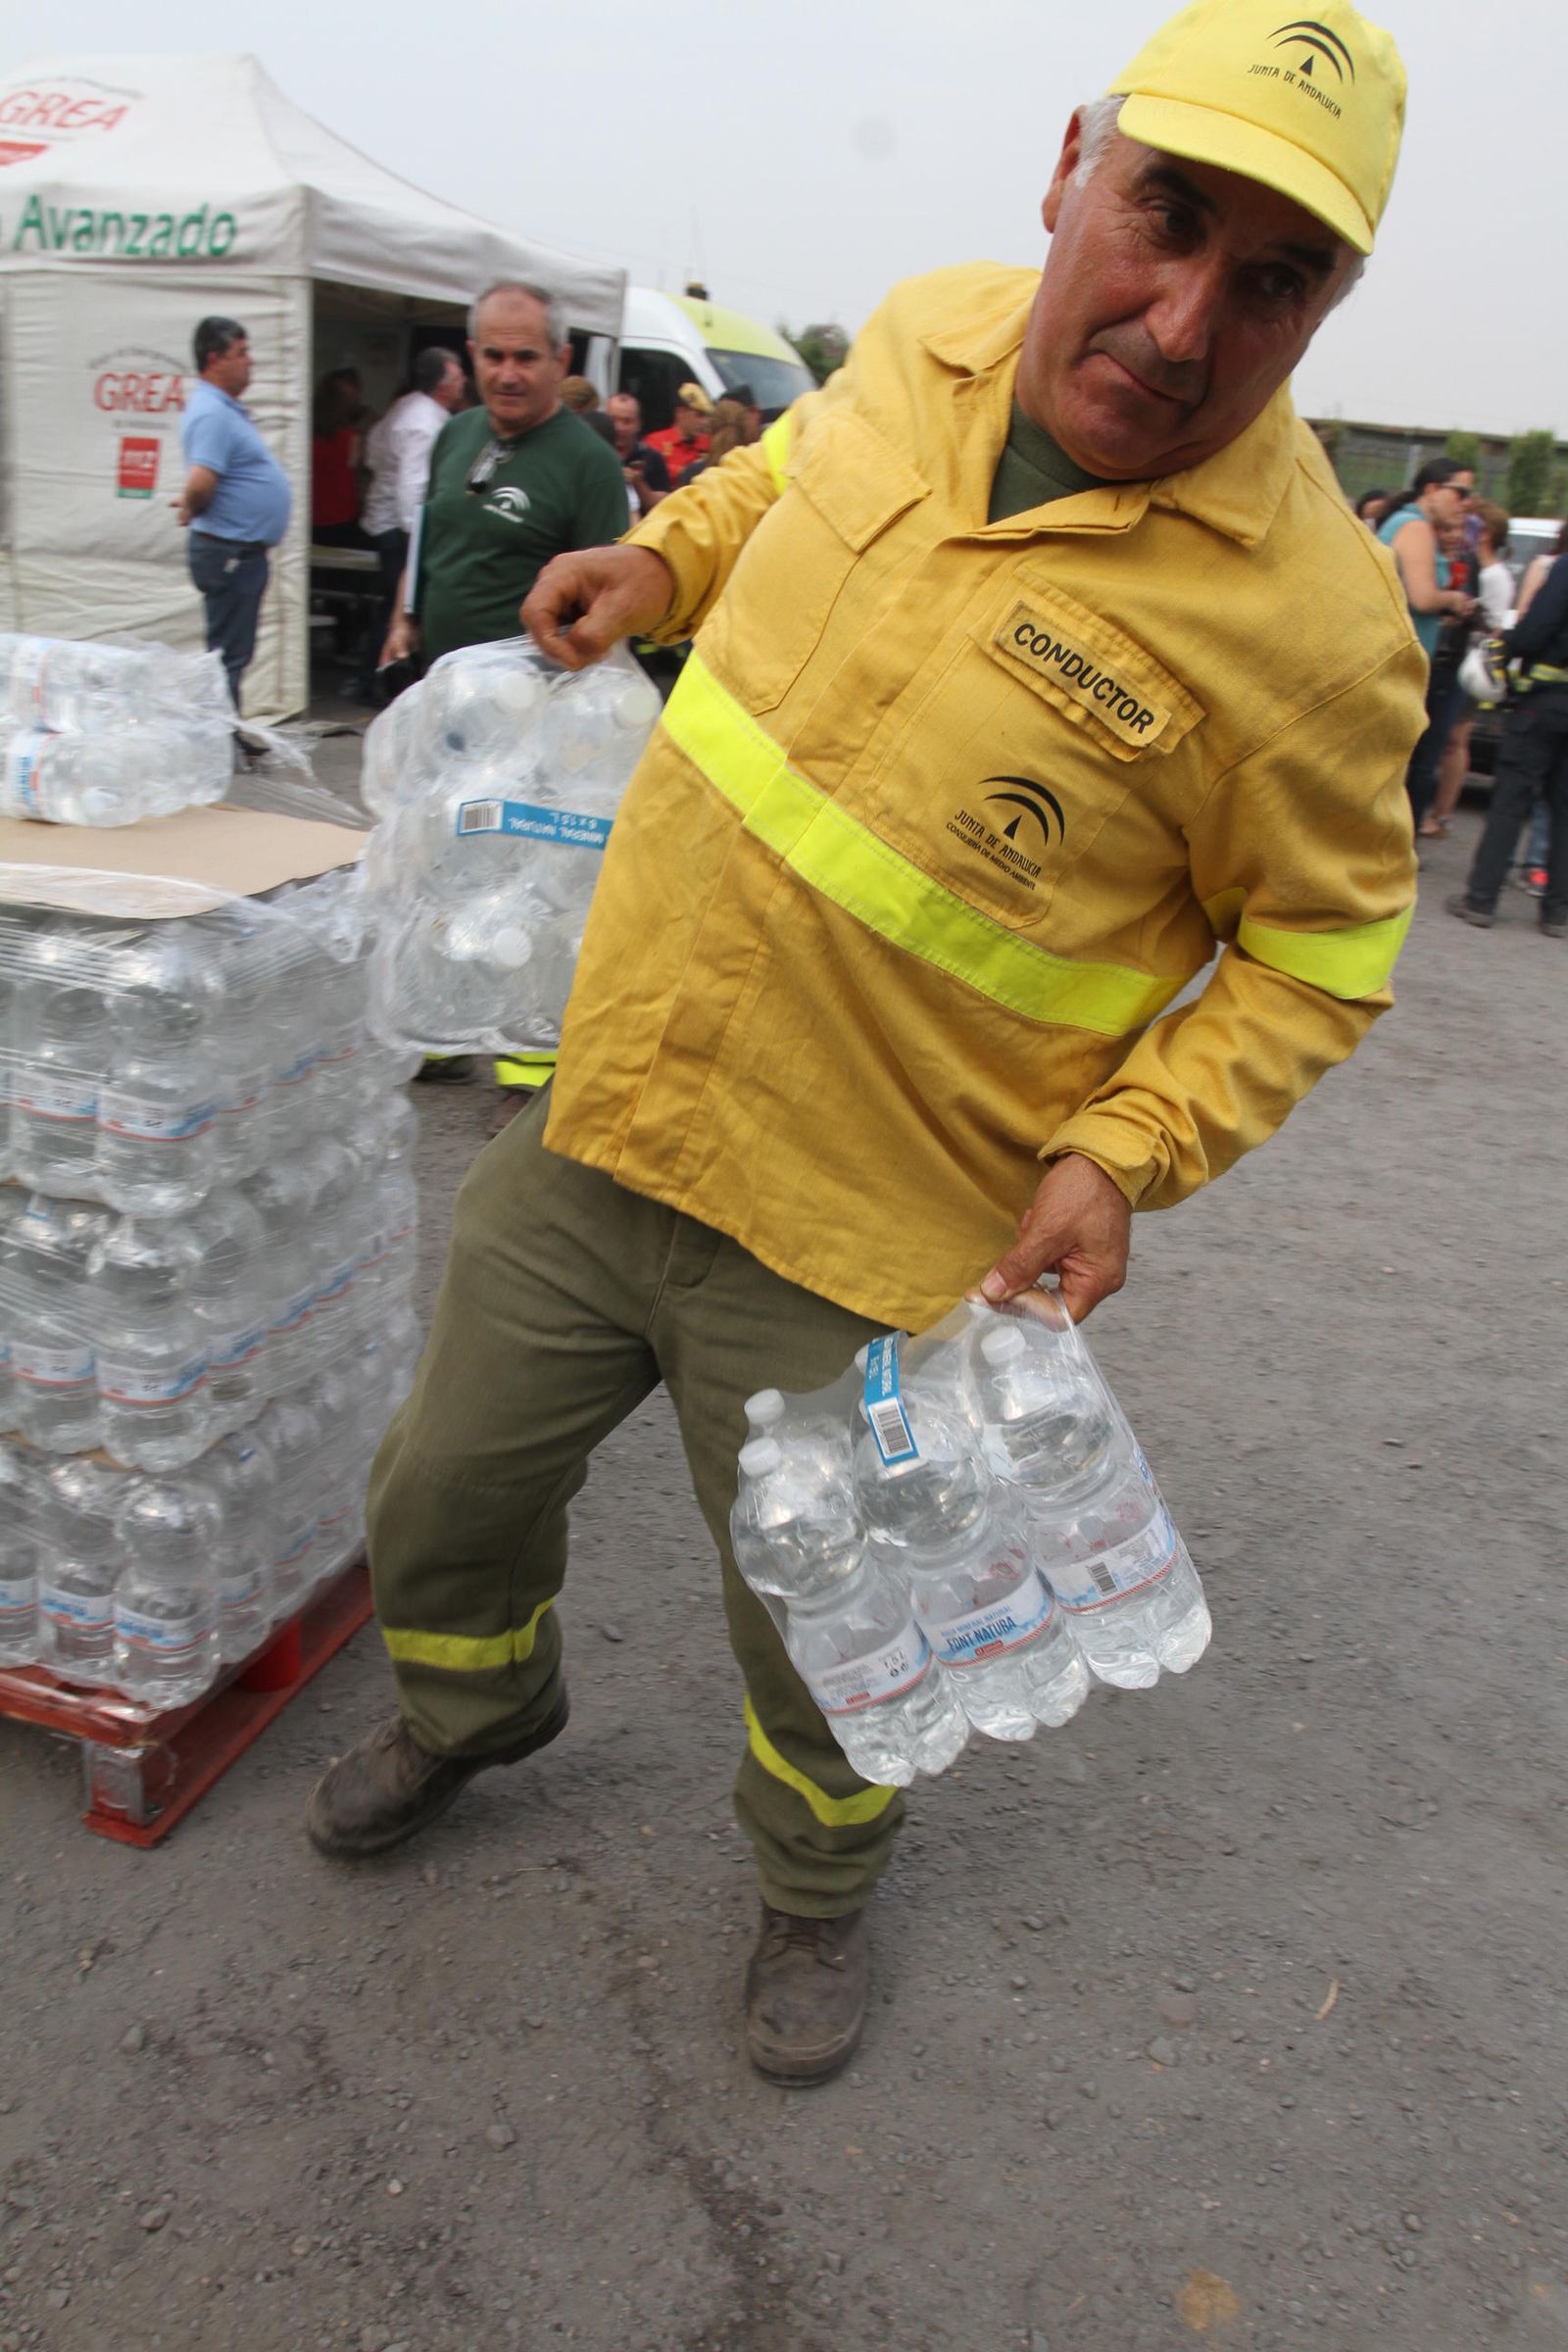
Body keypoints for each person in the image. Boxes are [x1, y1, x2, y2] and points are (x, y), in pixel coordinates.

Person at [308, 0, 1427, 2086]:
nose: (1184, 322)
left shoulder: (1315, 635)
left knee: (823, 1627)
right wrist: (657, 560)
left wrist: (1128, 1146)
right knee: (439, 1495)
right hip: (610, 1096)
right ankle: (474, 1710)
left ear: (1324, 304)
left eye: (1269, 279)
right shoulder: (914, 340)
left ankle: (813, 1893)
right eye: (1162, 218)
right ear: (1064, 173)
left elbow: (1320, 957)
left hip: (868, 1232)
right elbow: (770, 482)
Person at [380, 282, 629, 1109]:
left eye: (527, 356)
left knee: (524, 883)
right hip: (447, 713)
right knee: (438, 870)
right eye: (493, 355)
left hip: (536, 728)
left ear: (562, 359)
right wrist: (403, 618)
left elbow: (609, 598)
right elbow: (432, 538)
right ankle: (441, 1035)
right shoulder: (456, 435)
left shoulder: (586, 464)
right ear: (473, 353)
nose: (508, 373)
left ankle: (523, 1052)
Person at [1447, 548, 1568, 937]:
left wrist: (1505, 644)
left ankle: (1480, 901)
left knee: (1512, 802)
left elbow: (1537, 629)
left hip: (1544, 705)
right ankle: (1558, 913)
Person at [175, 316, 292, 714]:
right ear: (214, 359)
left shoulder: (224, 410)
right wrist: (191, 503)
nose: (250, 362)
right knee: (227, 655)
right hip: (229, 551)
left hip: (237, 551)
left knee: (233, 652)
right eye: (241, 353)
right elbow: (202, 480)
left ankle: (226, 731)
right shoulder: (212, 413)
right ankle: (219, 737)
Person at [1378, 460, 1478, 831]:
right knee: (1389, 772)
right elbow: (1421, 598)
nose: (1466, 502)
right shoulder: (1415, 526)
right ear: (1432, 489)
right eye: (1461, 492)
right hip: (1396, 667)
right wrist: (1452, 600)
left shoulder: (1405, 523)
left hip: (1394, 663)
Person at [361, 347, 466, 691]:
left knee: (391, 605)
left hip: (387, 521)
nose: (464, 381)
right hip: (401, 529)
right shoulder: (425, 422)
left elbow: (374, 450)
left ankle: (370, 680)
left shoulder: (407, 407)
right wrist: (416, 541)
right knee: (404, 608)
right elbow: (413, 485)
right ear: (443, 384)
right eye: (458, 376)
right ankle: (383, 683)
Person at [1426, 501, 1511, 837]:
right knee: (1455, 739)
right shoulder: (1493, 571)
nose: (1464, 534)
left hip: (1472, 663)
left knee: (1455, 739)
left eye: (1471, 529)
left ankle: (1442, 814)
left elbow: (1491, 623)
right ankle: (1441, 813)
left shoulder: (1492, 574)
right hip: (1470, 662)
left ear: (1485, 535)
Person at [1415, 513, 1481, 837]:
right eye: (1447, 528)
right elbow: (1420, 600)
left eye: (1459, 529)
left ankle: (1413, 832)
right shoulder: (1426, 559)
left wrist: (1463, 613)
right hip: (1421, 663)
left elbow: (1474, 608)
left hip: (1450, 667)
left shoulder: (1468, 563)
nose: (1453, 535)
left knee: (1432, 754)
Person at [311, 368, 369, 546]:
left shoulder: (305, 436)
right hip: (343, 518)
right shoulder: (352, 438)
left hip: (311, 515)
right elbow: (359, 469)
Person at [606, 391, 670, 518]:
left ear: (638, 424)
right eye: (613, 420)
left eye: (627, 421)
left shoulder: (653, 458)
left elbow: (662, 507)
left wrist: (638, 483)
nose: (619, 427)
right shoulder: (595, 455)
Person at [643, 379, 713, 476]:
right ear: (680, 413)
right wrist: (687, 471)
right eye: (699, 415)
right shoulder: (656, 442)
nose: (705, 422)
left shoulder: (708, 444)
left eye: (707, 416)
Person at [675, 397, 751, 485]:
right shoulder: (758, 469)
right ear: (746, 431)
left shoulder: (693, 473)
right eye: (699, 415)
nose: (702, 422)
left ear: (711, 429)